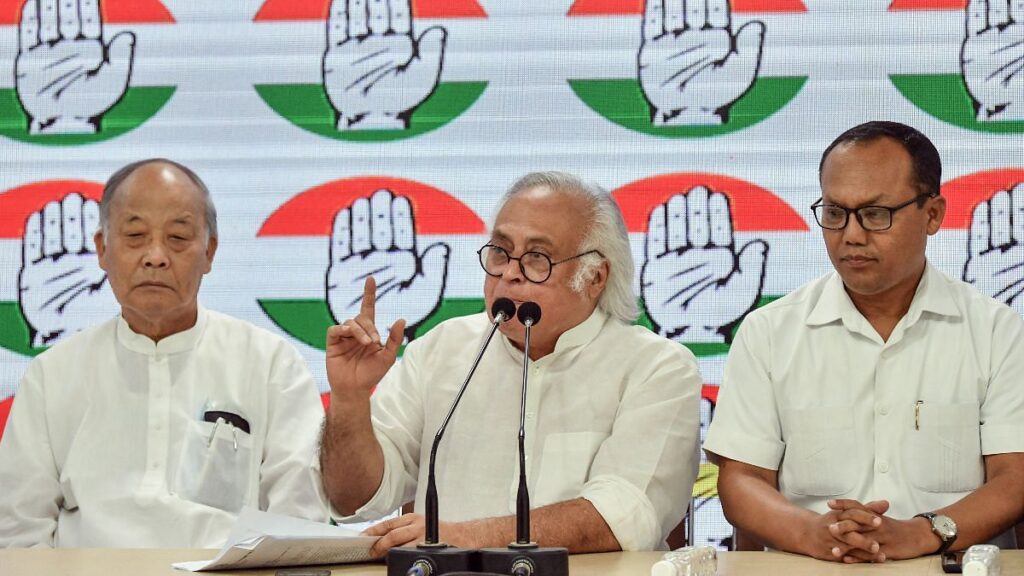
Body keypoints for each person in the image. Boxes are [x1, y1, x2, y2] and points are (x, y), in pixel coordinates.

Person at [319, 171, 702, 556]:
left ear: (594, 277)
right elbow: (352, 500)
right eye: (500, 252)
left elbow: (619, 519)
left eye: (537, 258)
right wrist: (350, 400)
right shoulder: (441, 350)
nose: (510, 273)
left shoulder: (656, 368)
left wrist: (462, 539)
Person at [704, 121, 1024, 563]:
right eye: (835, 213)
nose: (851, 235)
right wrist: (812, 533)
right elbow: (741, 481)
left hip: (946, 564)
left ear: (933, 214)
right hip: (811, 566)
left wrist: (924, 532)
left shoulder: (998, 332)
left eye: (876, 214)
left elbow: (1014, 480)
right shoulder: (769, 332)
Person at [0, 159, 328, 548]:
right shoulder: (52, 375)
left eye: (177, 238)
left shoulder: (271, 364)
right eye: (135, 235)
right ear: (103, 249)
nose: (155, 256)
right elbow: (18, 530)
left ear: (209, 252)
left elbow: (298, 521)